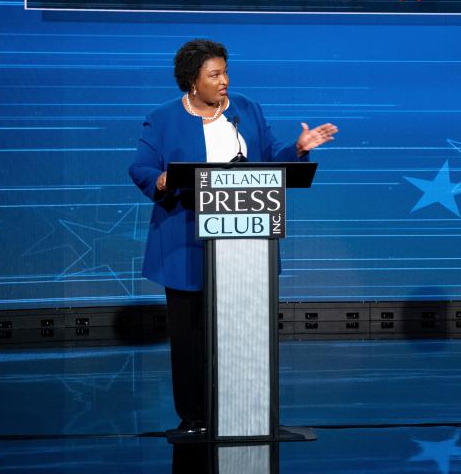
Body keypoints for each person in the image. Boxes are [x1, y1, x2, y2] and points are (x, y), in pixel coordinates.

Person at [129, 38, 338, 434]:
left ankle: (247, 411)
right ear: (193, 81)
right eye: (214, 75)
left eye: (225, 72)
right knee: (190, 336)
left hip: (246, 248)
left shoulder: (246, 110)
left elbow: (270, 159)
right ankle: (194, 417)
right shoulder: (162, 118)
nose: (224, 81)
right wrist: (159, 179)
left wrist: (297, 149)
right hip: (185, 245)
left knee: (244, 331)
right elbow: (140, 167)